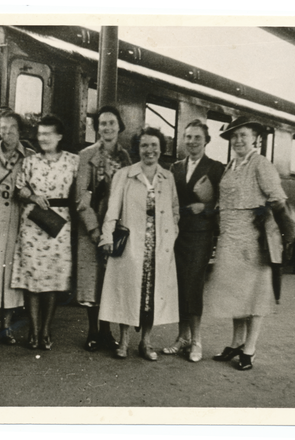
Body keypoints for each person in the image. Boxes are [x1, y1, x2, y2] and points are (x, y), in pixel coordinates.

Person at [204, 116, 287, 371]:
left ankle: (249, 349)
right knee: (235, 293)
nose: (238, 140)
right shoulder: (232, 165)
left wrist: (269, 225)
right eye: (234, 136)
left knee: (255, 295)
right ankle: (236, 342)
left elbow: (279, 199)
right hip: (229, 238)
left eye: (244, 135)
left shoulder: (260, 163)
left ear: (255, 138)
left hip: (253, 240)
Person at [98, 127, 179, 361]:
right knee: (128, 292)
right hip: (132, 245)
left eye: (154, 145)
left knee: (151, 294)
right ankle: (123, 342)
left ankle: (146, 342)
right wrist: (106, 237)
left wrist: (172, 233)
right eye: (144, 145)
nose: (149, 150)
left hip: (158, 247)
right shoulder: (124, 174)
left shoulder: (168, 177)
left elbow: (174, 210)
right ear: (138, 149)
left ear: (161, 149)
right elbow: (112, 209)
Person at [10, 115, 79, 350]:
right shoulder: (30, 161)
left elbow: (83, 189)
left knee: (52, 280)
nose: (43, 138)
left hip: (59, 225)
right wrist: (33, 196)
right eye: (40, 134)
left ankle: (46, 329)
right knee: (32, 279)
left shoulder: (73, 161)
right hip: (33, 223)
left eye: (48, 134)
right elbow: (19, 188)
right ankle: (33, 329)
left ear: (59, 136)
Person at [162, 120, 225, 362]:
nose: (192, 142)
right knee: (178, 285)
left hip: (200, 234)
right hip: (177, 233)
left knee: (193, 285)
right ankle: (182, 338)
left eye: (197, 137)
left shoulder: (216, 168)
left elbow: (223, 202)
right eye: (188, 137)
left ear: (206, 141)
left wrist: (206, 207)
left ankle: (196, 339)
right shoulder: (175, 168)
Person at [76, 106, 132, 352]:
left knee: (111, 280)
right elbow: (81, 198)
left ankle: (107, 332)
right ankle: (93, 331)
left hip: (115, 229)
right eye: (102, 124)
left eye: (111, 123)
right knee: (92, 281)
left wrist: (114, 230)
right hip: (91, 229)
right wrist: (95, 231)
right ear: (97, 128)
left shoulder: (126, 158)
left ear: (119, 126)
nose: (107, 128)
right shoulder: (86, 156)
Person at [0, 111, 35, 345]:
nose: (7, 133)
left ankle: (7, 327)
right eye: (3, 128)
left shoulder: (30, 157)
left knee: (12, 274)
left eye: (12, 128)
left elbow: (37, 187)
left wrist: (29, 194)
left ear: (20, 131)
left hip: (17, 218)